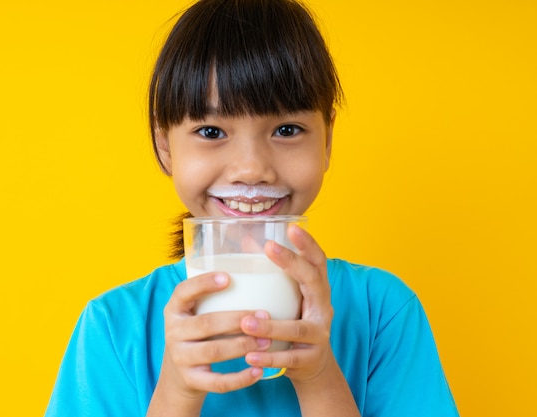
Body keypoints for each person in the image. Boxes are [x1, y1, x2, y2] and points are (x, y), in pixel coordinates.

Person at [44, 0, 459, 416]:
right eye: (211, 131)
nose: (251, 169)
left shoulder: (382, 310)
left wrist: (317, 376)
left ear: (328, 139)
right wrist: (176, 392)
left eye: (286, 129)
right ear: (165, 145)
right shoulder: (114, 327)